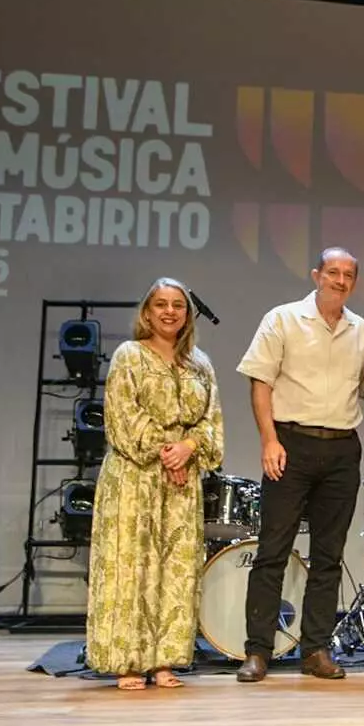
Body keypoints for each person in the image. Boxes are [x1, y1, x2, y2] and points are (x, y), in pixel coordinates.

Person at [235, 247, 364, 682]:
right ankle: (258, 651)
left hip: (340, 450)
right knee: (273, 551)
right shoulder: (283, 319)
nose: (339, 280)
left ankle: (315, 649)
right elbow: (261, 383)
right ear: (316, 274)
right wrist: (270, 440)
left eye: (348, 274)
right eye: (332, 272)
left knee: (329, 557)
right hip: (290, 445)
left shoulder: (361, 330)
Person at [86, 277, 224, 690]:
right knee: (132, 567)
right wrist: (168, 450)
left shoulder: (200, 362)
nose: (169, 312)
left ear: (187, 314)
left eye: (178, 305)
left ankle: (164, 659)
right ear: (147, 312)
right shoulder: (129, 356)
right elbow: (122, 415)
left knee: (175, 569)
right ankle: (128, 660)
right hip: (134, 476)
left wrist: (188, 448)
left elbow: (211, 421)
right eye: (161, 304)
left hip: (182, 483)